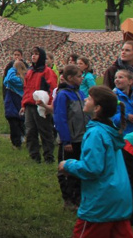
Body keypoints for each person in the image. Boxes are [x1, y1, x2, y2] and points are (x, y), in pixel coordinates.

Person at [58, 86, 133, 238]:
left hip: (101, 201)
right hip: (119, 197)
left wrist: (67, 165)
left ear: (97, 108)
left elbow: (92, 169)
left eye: (90, 98)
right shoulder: (110, 131)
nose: (85, 99)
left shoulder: (95, 133)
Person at [53, 65, 89, 210]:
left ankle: (77, 198)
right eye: (79, 76)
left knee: (79, 170)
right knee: (66, 170)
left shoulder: (80, 93)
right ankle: (68, 199)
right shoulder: (63, 95)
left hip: (81, 138)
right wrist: (66, 139)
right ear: (70, 78)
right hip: (69, 140)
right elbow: (60, 118)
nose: (82, 78)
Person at [21, 47, 58, 163]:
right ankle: (34, 156)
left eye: (36, 54)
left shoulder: (47, 72)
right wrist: (23, 104)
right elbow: (26, 89)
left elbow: (52, 89)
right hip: (29, 105)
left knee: (45, 131)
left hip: (41, 105)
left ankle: (48, 157)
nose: (33, 56)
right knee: (30, 131)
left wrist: (49, 106)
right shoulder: (30, 72)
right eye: (32, 54)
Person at [112, 69, 133, 135]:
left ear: (130, 81)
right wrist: (125, 116)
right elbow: (110, 117)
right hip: (122, 136)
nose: (117, 79)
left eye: (120, 77)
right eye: (115, 78)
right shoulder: (113, 97)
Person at [3, 60, 27, 149]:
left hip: (13, 104)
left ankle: (17, 143)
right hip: (18, 104)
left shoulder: (18, 80)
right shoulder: (23, 79)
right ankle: (21, 139)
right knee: (21, 123)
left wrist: (12, 69)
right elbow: (6, 81)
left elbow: (8, 79)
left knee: (15, 124)